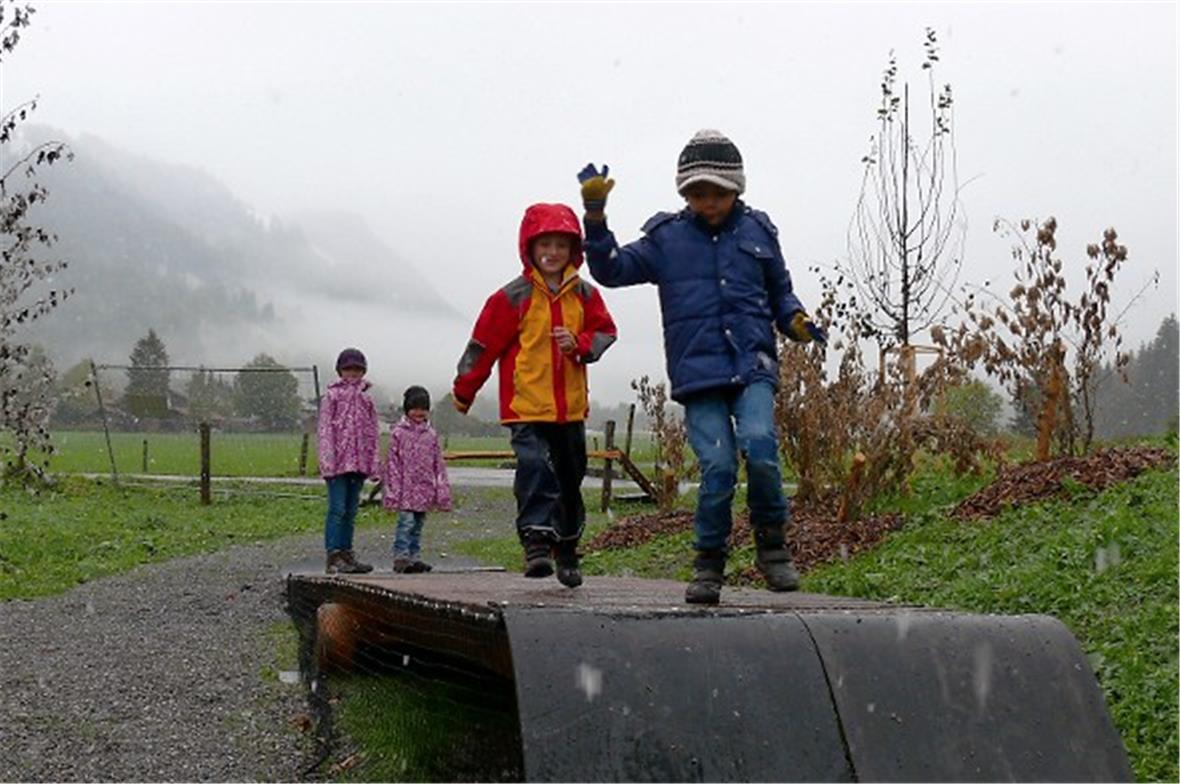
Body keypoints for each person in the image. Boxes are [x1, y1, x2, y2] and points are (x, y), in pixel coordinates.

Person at [577, 129, 826, 605]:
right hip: (699, 376)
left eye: (717, 193)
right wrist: (596, 217)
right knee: (716, 467)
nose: (707, 202)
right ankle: (708, 563)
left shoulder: (759, 232)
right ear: (684, 194)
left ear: (737, 190)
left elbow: (780, 292)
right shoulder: (666, 240)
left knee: (760, 446)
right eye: (696, 194)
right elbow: (609, 269)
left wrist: (794, 319)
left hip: (752, 364)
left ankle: (772, 548)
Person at [452, 202, 617, 588]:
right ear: (529, 247)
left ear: (573, 250)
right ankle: (536, 542)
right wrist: (464, 390)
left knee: (570, 479)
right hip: (525, 406)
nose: (553, 252)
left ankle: (568, 548)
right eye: (545, 244)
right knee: (535, 468)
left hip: (570, 409)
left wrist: (580, 344)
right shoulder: (512, 297)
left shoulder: (586, 295)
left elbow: (606, 331)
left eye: (562, 244)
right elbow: (482, 346)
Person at [318, 347, 380, 574]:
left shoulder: (367, 400)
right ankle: (333, 554)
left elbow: (373, 433)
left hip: (359, 465)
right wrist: (327, 462)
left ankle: (347, 553)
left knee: (352, 510)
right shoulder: (332, 396)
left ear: (363, 371)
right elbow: (325, 431)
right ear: (339, 371)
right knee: (337, 509)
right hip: (337, 465)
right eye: (348, 369)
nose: (352, 373)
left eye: (357, 369)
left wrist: (373, 464)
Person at [383, 385, 452, 573]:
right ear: (407, 408)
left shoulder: (431, 435)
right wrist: (393, 491)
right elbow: (392, 464)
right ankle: (401, 556)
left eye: (423, 408)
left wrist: (441, 490)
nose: (419, 413)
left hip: (424, 488)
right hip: (405, 488)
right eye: (415, 408)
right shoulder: (399, 433)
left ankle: (414, 557)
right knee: (406, 523)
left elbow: (438, 463)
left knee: (418, 524)